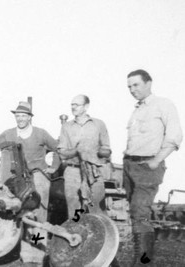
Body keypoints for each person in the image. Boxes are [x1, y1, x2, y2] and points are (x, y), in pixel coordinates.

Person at [0, 101, 59, 266]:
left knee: (37, 217)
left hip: (37, 177)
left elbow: (58, 148)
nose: (20, 119)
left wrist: (54, 167)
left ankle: (34, 257)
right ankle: (16, 248)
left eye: (23, 116)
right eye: (17, 116)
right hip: (14, 181)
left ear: (30, 117)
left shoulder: (41, 134)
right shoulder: (8, 134)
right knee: (15, 214)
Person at [124, 69, 182, 265]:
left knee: (140, 211)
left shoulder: (163, 105)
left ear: (149, 83)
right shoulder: (137, 110)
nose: (132, 90)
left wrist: (156, 160)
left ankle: (143, 262)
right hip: (129, 165)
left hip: (147, 166)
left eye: (136, 85)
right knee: (136, 213)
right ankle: (141, 258)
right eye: (129, 87)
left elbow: (174, 137)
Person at [57, 95, 112, 218]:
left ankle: (98, 234)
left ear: (86, 106)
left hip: (94, 172)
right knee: (75, 210)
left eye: (76, 104)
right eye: (72, 104)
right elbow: (62, 153)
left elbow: (107, 150)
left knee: (95, 207)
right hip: (73, 172)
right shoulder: (66, 127)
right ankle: (77, 233)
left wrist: (96, 151)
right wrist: (77, 151)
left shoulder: (99, 124)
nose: (73, 107)